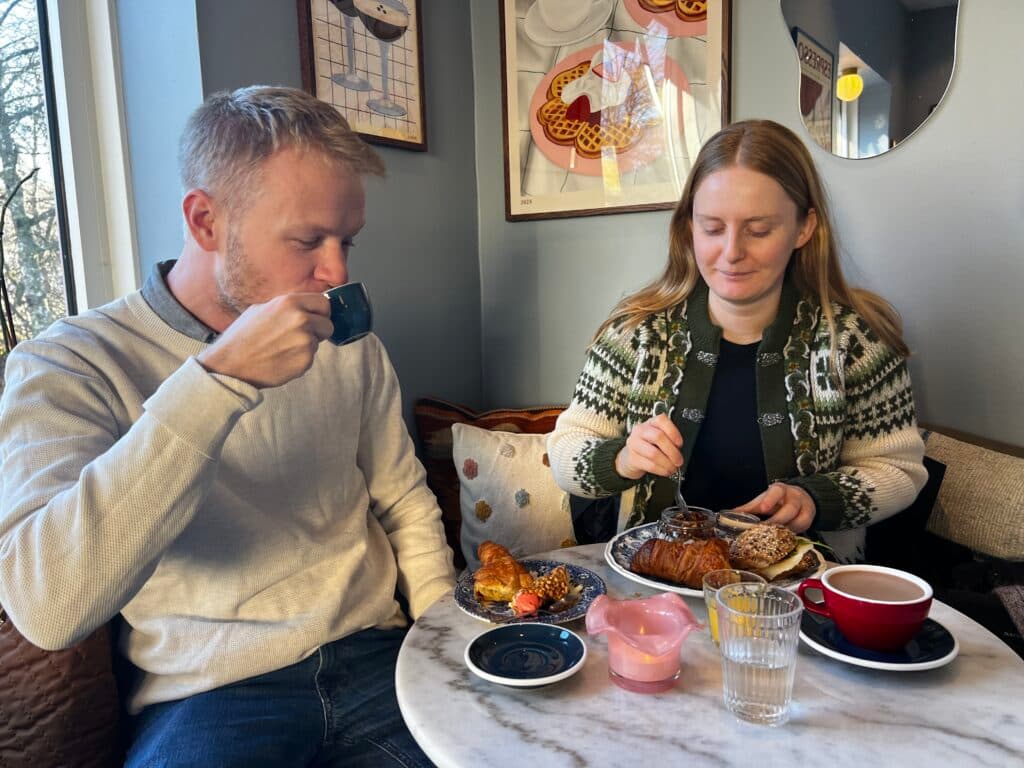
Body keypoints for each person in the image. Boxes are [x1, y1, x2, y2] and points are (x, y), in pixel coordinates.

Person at [0, 86, 454, 767]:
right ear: (206, 221)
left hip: (378, 663)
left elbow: (404, 500)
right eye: (308, 241)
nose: (338, 272)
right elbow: (50, 607)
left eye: (346, 241)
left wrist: (444, 638)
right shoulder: (68, 363)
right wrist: (216, 383)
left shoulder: (348, 344)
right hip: (212, 695)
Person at [548, 119, 927, 564]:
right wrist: (623, 459)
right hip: (652, 597)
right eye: (712, 228)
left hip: (801, 603)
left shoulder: (855, 341)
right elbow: (565, 456)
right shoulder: (636, 334)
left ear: (803, 229)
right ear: (689, 226)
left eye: (759, 230)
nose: (731, 251)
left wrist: (814, 498)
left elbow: (899, 470)